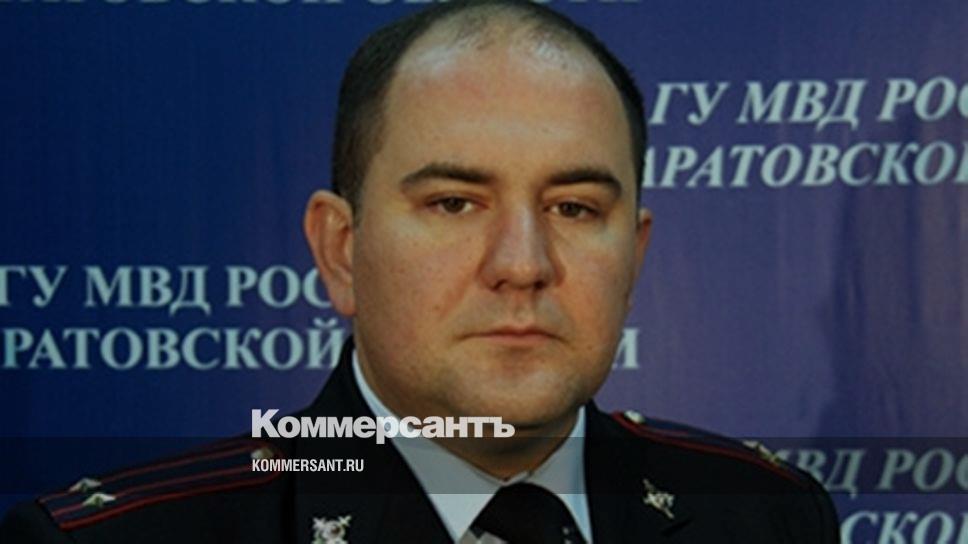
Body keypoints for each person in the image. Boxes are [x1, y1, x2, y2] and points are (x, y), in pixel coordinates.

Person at [0, 0, 840, 542]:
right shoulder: (125, 539)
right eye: (454, 203)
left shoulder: (768, 517)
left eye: (575, 208)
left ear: (637, 255)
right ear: (340, 250)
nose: (523, 264)